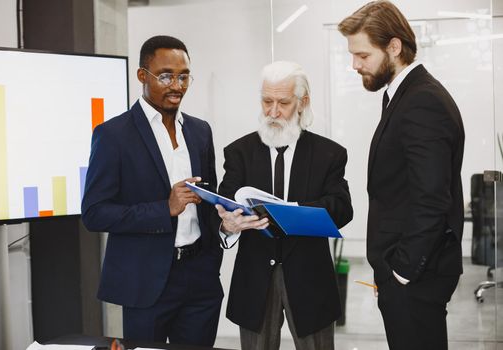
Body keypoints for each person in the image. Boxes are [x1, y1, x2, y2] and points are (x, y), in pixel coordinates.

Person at [338, 2, 465, 349]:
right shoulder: (405, 95)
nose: (355, 65)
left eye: (363, 55)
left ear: (394, 47)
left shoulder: (423, 101)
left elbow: (433, 197)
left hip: (415, 276)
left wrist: (403, 270)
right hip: (409, 272)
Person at [81, 35, 223, 346]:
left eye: (184, 76)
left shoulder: (200, 131)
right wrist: (165, 208)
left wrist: (225, 221)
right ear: (142, 76)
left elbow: (208, 199)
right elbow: (94, 213)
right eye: (166, 75)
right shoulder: (113, 135)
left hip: (200, 277)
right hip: (145, 282)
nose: (177, 85)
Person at [216, 61, 353, 350]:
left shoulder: (329, 154)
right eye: (267, 101)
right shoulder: (238, 152)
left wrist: (291, 212)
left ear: (302, 103)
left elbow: (341, 207)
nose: (273, 112)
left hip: (310, 278)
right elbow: (226, 200)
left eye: (283, 103)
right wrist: (228, 225)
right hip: (254, 279)